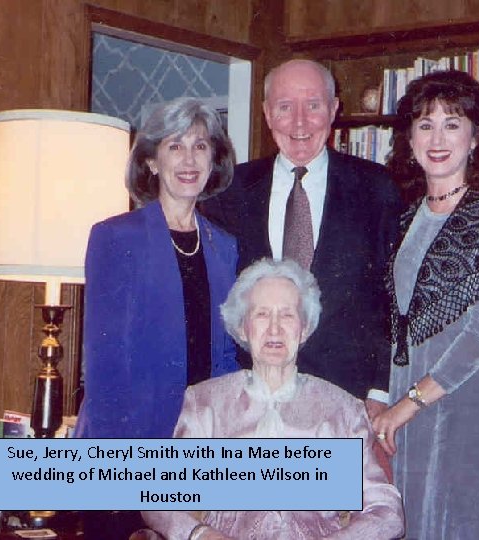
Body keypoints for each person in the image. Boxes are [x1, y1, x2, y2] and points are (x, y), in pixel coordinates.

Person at [371, 70, 479, 539]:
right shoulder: (403, 219)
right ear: (409, 139)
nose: (437, 138)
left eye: (452, 123)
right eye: (425, 125)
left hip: (474, 397)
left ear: (476, 136)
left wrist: (408, 404)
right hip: (407, 393)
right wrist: (390, 399)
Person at [141, 258, 405, 540]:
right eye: (262, 315)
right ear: (243, 328)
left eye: (288, 315)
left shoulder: (342, 410)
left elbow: (387, 512)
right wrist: (201, 534)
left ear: (304, 330)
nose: (275, 329)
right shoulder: (205, 403)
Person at [200, 59, 404, 418]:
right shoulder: (231, 192)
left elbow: (394, 299)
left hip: (349, 399)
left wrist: (381, 389)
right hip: (253, 398)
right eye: (284, 107)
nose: (299, 122)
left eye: (312, 105)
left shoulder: (376, 188)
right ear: (266, 114)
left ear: (333, 109)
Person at [74, 97, 240, 440]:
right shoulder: (116, 237)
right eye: (175, 146)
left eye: (200, 146)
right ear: (151, 161)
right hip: (129, 435)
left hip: (199, 434)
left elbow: (224, 355)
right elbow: (105, 365)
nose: (189, 159)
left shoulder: (223, 245)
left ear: (213, 160)